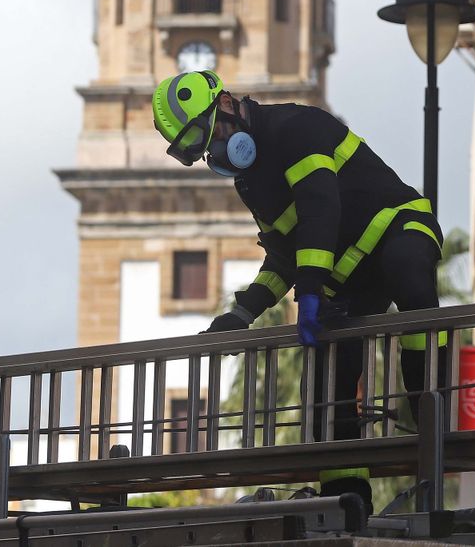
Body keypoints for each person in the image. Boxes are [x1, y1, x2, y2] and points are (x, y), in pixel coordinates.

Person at [151, 69, 447, 511]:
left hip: (398, 227)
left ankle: (431, 410)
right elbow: (283, 257)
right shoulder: (250, 183)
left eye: (207, 137)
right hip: (350, 275)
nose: (214, 152)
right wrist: (242, 313)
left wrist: (310, 291)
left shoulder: (295, 127)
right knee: (326, 382)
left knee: (409, 274)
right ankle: (346, 500)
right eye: (201, 150)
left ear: (226, 103)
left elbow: (319, 209)